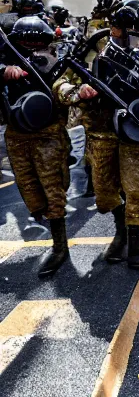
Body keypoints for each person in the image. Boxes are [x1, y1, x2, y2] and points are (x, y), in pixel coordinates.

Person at [53, 6, 139, 269]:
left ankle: (134, 238)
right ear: (111, 27)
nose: (123, 34)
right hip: (101, 130)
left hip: (135, 130)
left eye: (129, 29)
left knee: (136, 187)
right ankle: (120, 229)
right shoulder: (91, 50)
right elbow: (60, 81)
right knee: (105, 191)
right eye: (119, 28)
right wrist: (78, 91)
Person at [1, 16, 71, 277]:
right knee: (29, 190)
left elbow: (62, 86)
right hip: (16, 135)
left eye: (36, 41)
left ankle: (59, 246)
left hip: (47, 135)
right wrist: (4, 72)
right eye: (25, 41)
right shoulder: (8, 60)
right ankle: (47, 221)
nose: (31, 46)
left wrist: (76, 92)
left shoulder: (50, 63)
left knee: (53, 191)